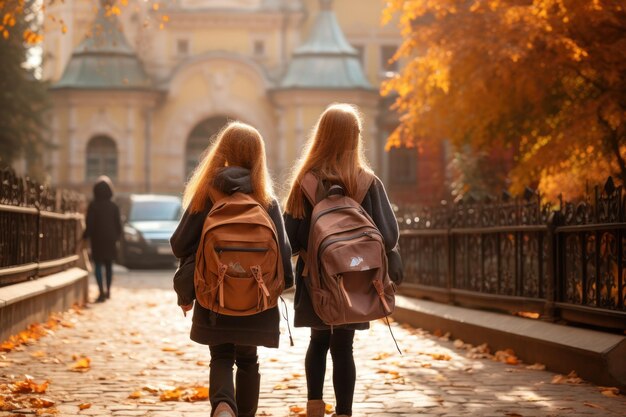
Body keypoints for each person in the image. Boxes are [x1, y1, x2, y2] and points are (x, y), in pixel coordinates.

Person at [283, 103, 401, 417]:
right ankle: (345, 412)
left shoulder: (305, 183)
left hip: (314, 278)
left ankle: (314, 407)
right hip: (355, 280)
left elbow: (289, 240)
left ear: (320, 136)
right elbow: (388, 236)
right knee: (344, 347)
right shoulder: (367, 182)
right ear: (355, 138)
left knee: (318, 340)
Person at [170, 121, 293, 417]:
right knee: (249, 359)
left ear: (222, 151)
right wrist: (282, 284)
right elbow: (284, 253)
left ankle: (223, 405)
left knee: (222, 355)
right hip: (257, 295)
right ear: (257, 157)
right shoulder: (265, 198)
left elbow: (179, 244)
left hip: (216, 294)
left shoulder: (208, 194)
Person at [83, 175, 122, 303]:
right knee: (109, 265)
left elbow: (89, 223)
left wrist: (85, 236)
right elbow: (118, 225)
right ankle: (109, 291)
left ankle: (101, 292)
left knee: (98, 265)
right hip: (110, 239)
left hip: (97, 239)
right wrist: (117, 237)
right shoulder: (114, 206)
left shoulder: (93, 205)